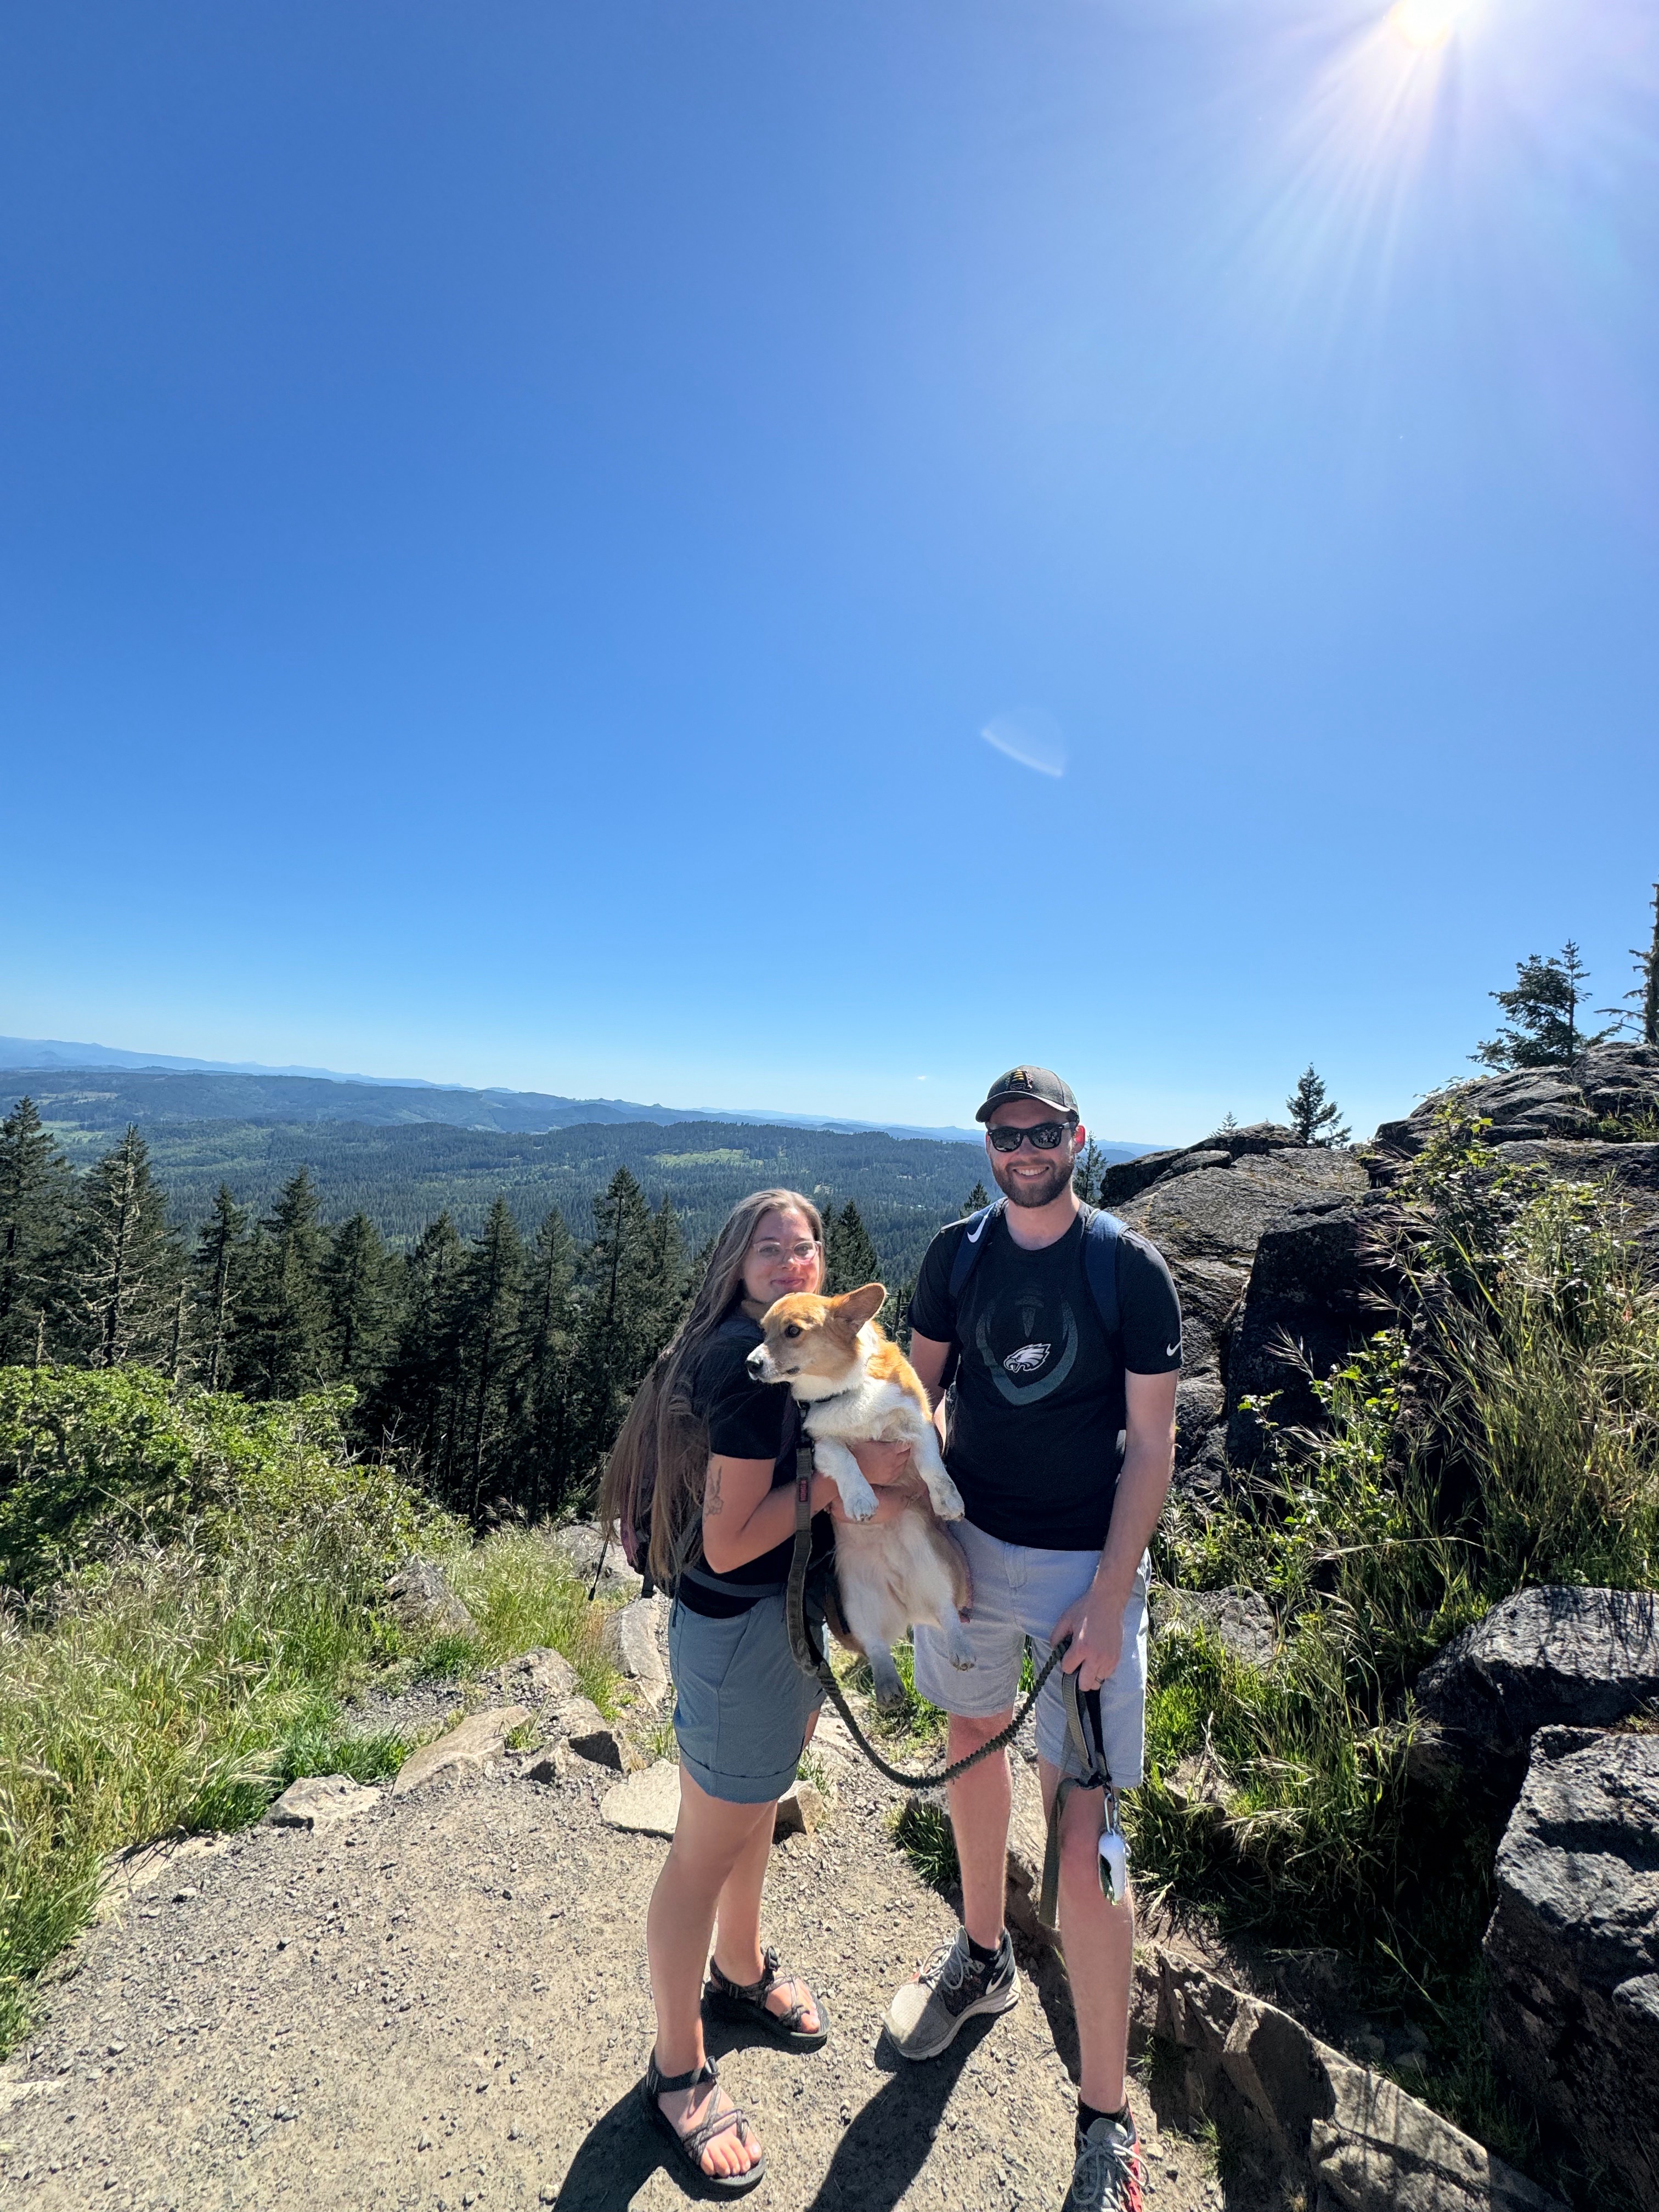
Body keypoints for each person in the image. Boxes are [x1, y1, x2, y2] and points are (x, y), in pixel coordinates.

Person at [882, 1066, 1181, 2212]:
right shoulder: (957, 1257)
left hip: (1080, 1571)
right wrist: (914, 1518)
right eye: (1007, 1135)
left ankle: (1105, 2117)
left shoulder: (1126, 1266)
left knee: (1084, 1821)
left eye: (1043, 1133)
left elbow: (1149, 1448)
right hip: (971, 1552)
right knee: (969, 1746)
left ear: (1077, 1138)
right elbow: (921, 1394)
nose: (1024, 1149)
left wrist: (1109, 1598)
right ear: (988, 1145)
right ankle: (984, 1956)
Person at [599, 1187, 908, 2194]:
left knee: (745, 1819)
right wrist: (839, 1479)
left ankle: (739, 1972)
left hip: (752, 1630)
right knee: (704, 1849)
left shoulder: (776, 1350)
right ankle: (679, 2068)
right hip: (738, 1637)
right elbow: (735, 1536)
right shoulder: (752, 1380)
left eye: (808, 1245)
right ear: (737, 1262)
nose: (793, 1259)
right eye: (771, 1246)